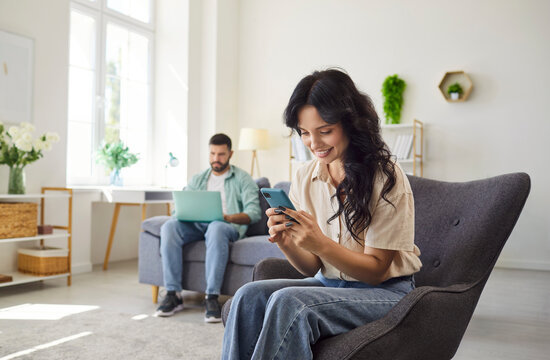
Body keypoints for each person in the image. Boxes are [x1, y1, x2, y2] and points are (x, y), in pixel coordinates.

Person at [222, 69, 422, 359]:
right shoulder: (305, 177)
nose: (314, 144)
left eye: (325, 131)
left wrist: (319, 242)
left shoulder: (386, 177)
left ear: (351, 123)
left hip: (386, 292)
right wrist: (287, 242)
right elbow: (310, 267)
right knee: (246, 297)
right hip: (329, 284)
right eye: (304, 133)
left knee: (290, 302)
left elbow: (377, 270)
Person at [155, 133, 261, 322]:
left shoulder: (243, 179)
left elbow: (254, 213)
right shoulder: (198, 179)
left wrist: (227, 217)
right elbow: (180, 207)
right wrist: (181, 213)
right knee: (169, 227)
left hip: (226, 226)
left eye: (220, 154)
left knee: (216, 227)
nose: (215, 159)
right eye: (212, 154)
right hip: (196, 225)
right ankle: (173, 294)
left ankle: (211, 297)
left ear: (230, 154)